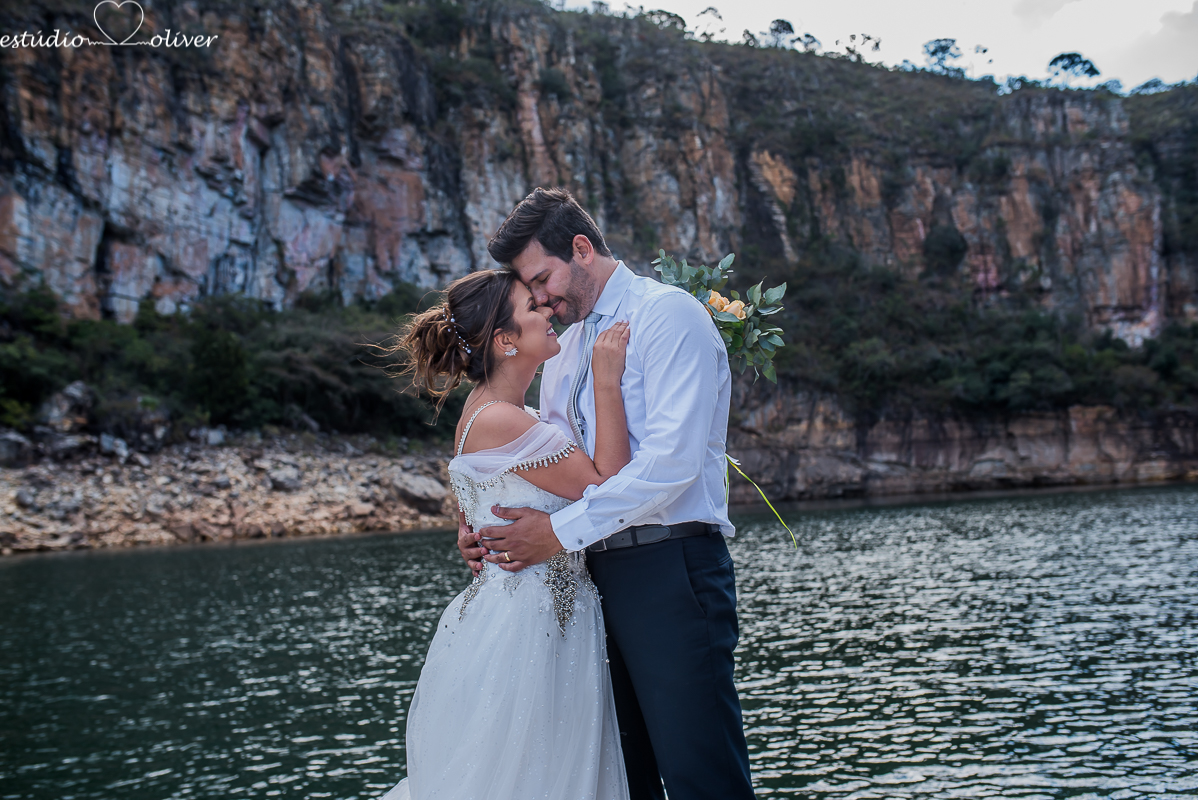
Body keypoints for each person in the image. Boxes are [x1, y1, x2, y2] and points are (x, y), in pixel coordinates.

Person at [459, 187, 757, 800]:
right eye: (530, 289)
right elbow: (562, 467)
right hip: (590, 585)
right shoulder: (565, 351)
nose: (540, 298)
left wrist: (554, 534)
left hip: (669, 567)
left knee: (703, 776)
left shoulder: (667, 315)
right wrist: (486, 522)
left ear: (581, 248)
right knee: (625, 779)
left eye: (542, 278)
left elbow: (670, 465)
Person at [378, 268, 634, 800]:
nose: (545, 308)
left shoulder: (493, 414)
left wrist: (466, 530)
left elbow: (477, 495)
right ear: (505, 340)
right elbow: (610, 485)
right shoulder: (503, 421)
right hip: (532, 626)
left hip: (532, 615)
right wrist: (606, 378)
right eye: (531, 307)